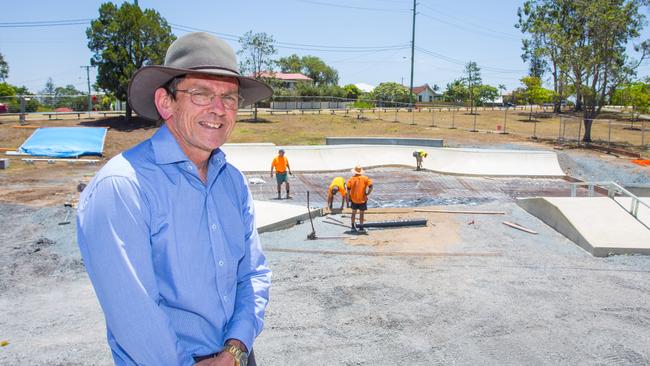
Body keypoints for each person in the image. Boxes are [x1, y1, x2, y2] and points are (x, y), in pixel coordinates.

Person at [76, 32, 272, 366]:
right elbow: (134, 314)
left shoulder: (232, 183)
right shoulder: (123, 187)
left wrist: (235, 348)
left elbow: (252, 274)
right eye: (201, 93)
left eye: (230, 97)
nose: (219, 109)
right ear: (166, 102)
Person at [347, 165, 373, 233]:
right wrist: (367, 193)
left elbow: (348, 189)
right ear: (361, 171)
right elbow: (371, 186)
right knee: (361, 214)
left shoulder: (351, 179)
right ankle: (361, 228)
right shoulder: (365, 178)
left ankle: (352, 227)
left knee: (353, 213)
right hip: (362, 199)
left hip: (354, 199)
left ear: (354, 171)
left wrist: (349, 197)